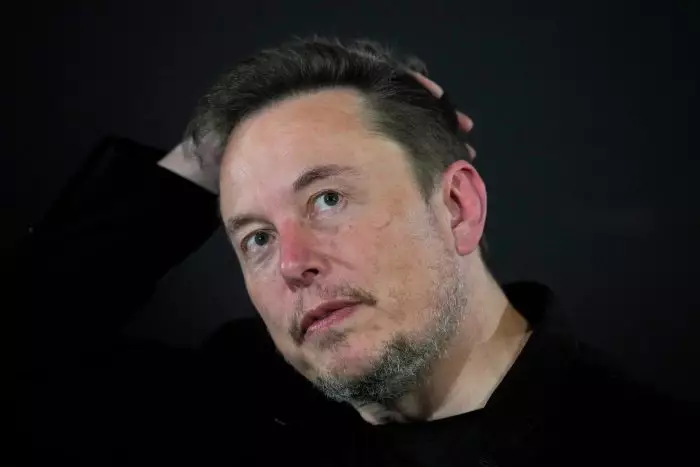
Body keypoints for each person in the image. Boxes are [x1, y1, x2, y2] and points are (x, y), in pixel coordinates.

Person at [25, 37, 694, 466]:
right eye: (256, 237)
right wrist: (205, 156)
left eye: (328, 199)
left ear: (457, 207)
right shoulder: (234, 402)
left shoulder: (641, 442)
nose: (293, 263)